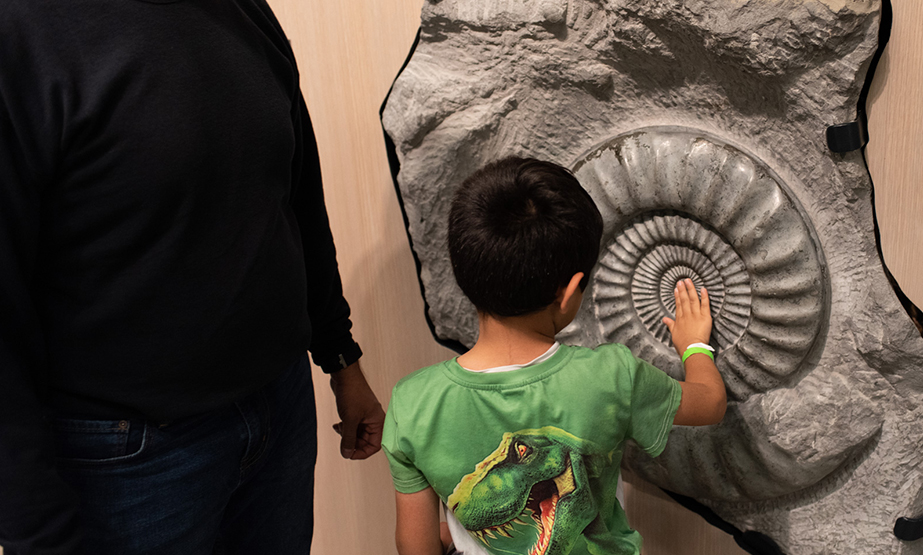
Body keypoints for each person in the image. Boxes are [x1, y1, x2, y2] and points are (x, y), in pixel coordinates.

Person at [0, 0, 384, 553]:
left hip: (280, 411)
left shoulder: (239, 8)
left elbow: (295, 196)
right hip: (127, 460)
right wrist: (37, 531)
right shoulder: (20, 36)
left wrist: (341, 358)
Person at [381, 157, 728, 555]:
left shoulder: (412, 404)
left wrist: (456, 535)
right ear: (570, 291)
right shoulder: (611, 377)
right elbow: (711, 401)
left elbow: (416, 549)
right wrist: (694, 344)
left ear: (463, 271)